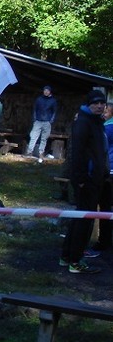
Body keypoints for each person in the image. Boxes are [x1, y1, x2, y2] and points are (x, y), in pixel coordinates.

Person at [60, 89, 108, 274]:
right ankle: (75, 261)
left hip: (96, 177)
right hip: (86, 179)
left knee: (80, 218)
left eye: (102, 103)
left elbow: (100, 152)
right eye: (95, 103)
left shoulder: (97, 122)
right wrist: (80, 178)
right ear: (89, 104)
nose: (99, 106)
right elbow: (76, 152)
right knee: (84, 221)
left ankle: (66, 256)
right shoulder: (83, 122)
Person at [92, 100, 113, 251]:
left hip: (108, 171)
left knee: (105, 207)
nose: (103, 113)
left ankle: (104, 241)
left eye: (106, 111)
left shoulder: (108, 128)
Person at [26, 85, 58, 162]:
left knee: (44, 138)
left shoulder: (53, 101)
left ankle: (41, 153)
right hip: (38, 121)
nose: (46, 92)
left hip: (47, 121)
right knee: (33, 136)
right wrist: (35, 119)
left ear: (50, 92)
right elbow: (35, 109)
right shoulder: (39, 99)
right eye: (45, 90)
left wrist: (51, 121)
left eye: (47, 90)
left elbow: (54, 111)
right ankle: (29, 152)